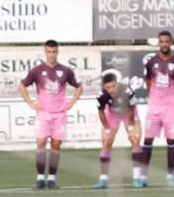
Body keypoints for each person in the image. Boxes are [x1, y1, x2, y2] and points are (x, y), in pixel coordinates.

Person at [19, 39, 81, 189]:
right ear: (45, 52)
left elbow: (78, 87)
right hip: (43, 114)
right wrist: (30, 102)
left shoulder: (66, 71)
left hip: (59, 114)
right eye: (49, 52)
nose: (51, 55)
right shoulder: (37, 70)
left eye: (54, 52)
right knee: (40, 143)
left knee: (56, 145)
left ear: (57, 52)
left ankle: (52, 178)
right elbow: (22, 85)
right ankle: (40, 178)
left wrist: (71, 102)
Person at [134, 31, 174, 187]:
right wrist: (155, 94)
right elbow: (147, 79)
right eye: (162, 41)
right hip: (154, 107)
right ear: (159, 43)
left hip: (170, 107)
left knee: (171, 141)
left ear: (171, 43)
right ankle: (143, 177)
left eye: (167, 41)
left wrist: (170, 95)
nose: (164, 44)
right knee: (147, 140)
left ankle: (170, 176)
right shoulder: (151, 62)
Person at [93, 72, 141, 189]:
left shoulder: (127, 91)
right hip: (112, 114)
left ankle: (137, 178)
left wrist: (130, 124)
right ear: (104, 87)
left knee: (135, 139)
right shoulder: (101, 95)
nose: (111, 90)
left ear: (117, 84)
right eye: (108, 87)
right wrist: (107, 127)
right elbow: (101, 112)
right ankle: (103, 179)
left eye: (113, 86)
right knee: (106, 141)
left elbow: (132, 108)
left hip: (128, 113)